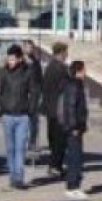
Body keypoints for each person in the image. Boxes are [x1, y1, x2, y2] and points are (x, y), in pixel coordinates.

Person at [0, 44, 39, 190]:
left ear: (19, 59)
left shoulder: (27, 72)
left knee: (20, 148)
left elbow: (34, 92)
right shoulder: (3, 72)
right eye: (9, 58)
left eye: (13, 59)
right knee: (10, 149)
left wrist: (30, 110)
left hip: (22, 116)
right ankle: (12, 177)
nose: (10, 61)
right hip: (7, 116)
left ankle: (19, 178)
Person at [60, 60, 90, 200]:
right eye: (84, 70)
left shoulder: (75, 84)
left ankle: (75, 185)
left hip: (76, 126)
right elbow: (71, 108)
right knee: (75, 157)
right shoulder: (74, 85)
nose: (85, 73)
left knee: (76, 156)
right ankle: (72, 187)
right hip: (74, 128)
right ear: (78, 71)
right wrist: (74, 127)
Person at [42, 41, 70, 178]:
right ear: (62, 52)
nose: (67, 54)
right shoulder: (62, 69)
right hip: (59, 109)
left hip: (49, 108)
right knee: (60, 140)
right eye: (66, 51)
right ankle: (55, 166)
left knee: (53, 138)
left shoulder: (49, 67)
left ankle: (53, 165)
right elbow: (66, 88)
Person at [22, 40, 44, 154]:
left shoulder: (36, 61)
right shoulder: (20, 61)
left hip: (35, 95)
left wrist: (40, 92)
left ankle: (32, 143)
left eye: (31, 47)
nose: (30, 49)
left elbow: (40, 78)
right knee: (23, 121)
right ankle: (22, 143)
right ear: (24, 48)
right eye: (28, 47)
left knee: (34, 121)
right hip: (23, 96)